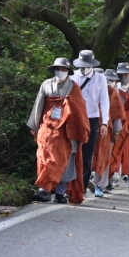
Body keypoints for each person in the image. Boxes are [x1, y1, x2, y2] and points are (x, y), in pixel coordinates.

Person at [29, 58, 91, 204]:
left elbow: (79, 111)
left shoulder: (74, 88)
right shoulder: (46, 85)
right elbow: (38, 106)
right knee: (45, 158)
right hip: (48, 128)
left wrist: (80, 131)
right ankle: (44, 191)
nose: (61, 72)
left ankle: (60, 193)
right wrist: (34, 126)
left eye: (64, 70)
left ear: (68, 72)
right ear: (54, 70)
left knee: (66, 161)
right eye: (59, 69)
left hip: (66, 131)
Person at [71, 50, 109, 196]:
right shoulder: (72, 76)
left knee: (87, 155)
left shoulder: (100, 78)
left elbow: (104, 101)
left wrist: (104, 122)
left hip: (92, 117)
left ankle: (82, 186)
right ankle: (69, 184)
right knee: (72, 152)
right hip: (74, 118)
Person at [91, 69, 125, 197]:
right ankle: (88, 182)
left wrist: (116, 131)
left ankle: (100, 185)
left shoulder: (113, 93)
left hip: (107, 130)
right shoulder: (92, 88)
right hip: (91, 127)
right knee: (89, 156)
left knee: (104, 157)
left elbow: (117, 115)